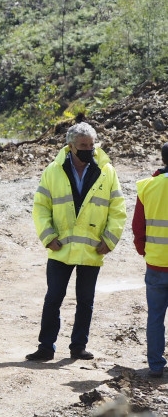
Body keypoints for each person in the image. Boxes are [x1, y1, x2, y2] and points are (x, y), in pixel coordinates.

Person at [26, 122, 125, 362]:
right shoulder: (53, 170)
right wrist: (48, 237)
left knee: (85, 302)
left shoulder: (106, 171)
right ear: (70, 146)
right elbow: (40, 207)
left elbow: (118, 208)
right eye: (83, 146)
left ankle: (78, 346)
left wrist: (109, 240)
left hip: (92, 249)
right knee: (53, 299)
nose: (89, 149)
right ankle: (46, 347)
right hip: (61, 249)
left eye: (91, 145)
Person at [132, 142, 168, 378]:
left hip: (156, 264)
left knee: (155, 316)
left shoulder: (147, 186)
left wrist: (144, 251)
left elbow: (138, 227)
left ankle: (155, 365)